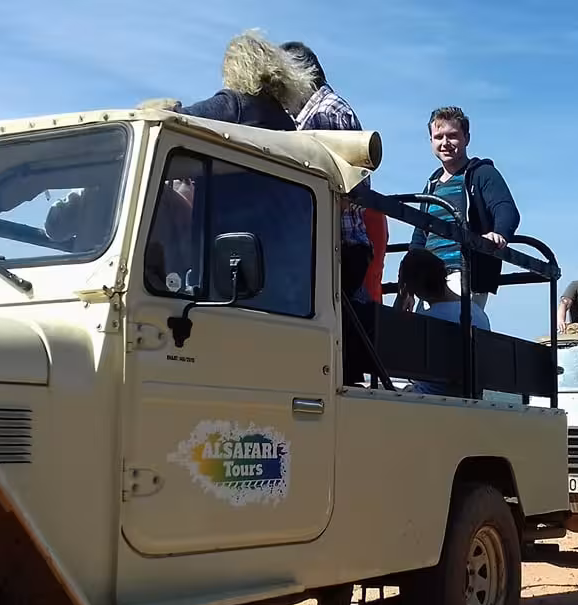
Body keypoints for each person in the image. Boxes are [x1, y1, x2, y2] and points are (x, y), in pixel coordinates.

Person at [280, 41, 375, 303]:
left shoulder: (327, 113)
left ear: (301, 75)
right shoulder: (317, 111)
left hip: (339, 245)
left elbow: (353, 185)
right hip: (336, 245)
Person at [406, 106, 520, 311]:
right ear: (431, 141)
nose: (445, 143)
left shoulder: (482, 174)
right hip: (429, 276)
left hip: (464, 271)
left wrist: (499, 234)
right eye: (439, 136)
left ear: (466, 138)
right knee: (425, 333)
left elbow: (506, 209)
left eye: (452, 136)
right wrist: (407, 285)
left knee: (450, 327)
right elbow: (419, 236)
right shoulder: (432, 185)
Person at [139, 29, 314, 131]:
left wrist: (161, 109)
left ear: (235, 69)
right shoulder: (286, 122)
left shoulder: (235, 105)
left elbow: (180, 120)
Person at [397, 249, 490, 396]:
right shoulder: (478, 313)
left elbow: (394, 356)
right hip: (467, 397)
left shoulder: (426, 320)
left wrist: (402, 299)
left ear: (413, 288)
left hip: (428, 398)